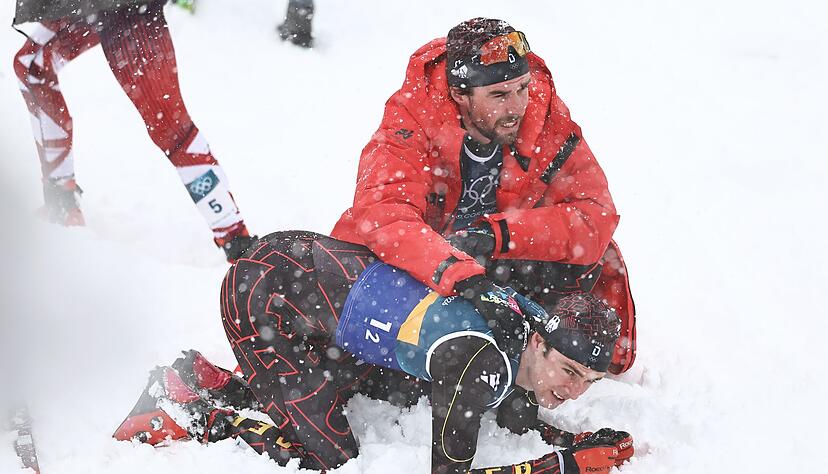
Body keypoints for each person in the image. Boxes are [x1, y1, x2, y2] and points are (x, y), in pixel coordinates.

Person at [116, 231, 634, 473]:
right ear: (539, 342)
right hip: (267, 294)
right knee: (331, 461)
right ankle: (185, 413)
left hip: (309, 282)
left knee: (361, 391)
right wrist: (562, 467)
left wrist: (570, 438)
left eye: (588, 381)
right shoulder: (476, 364)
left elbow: (514, 408)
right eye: (568, 372)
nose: (571, 390)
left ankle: (203, 381)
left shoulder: (522, 322)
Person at [331, 18, 636, 373]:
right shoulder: (413, 115)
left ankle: (539, 354)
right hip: (426, 263)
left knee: (589, 249)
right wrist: (457, 271)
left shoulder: (543, 114)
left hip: (496, 256)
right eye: (499, 95)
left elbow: (595, 213)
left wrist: (498, 235)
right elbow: (384, 213)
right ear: (460, 94)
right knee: (373, 353)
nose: (518, 106)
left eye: (522, 87)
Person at [12, 0, 255, 261]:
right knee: (32, 67)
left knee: (170, 129)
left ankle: (238, 242)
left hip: (127, 10)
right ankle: (61, 203)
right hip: (89, 6)